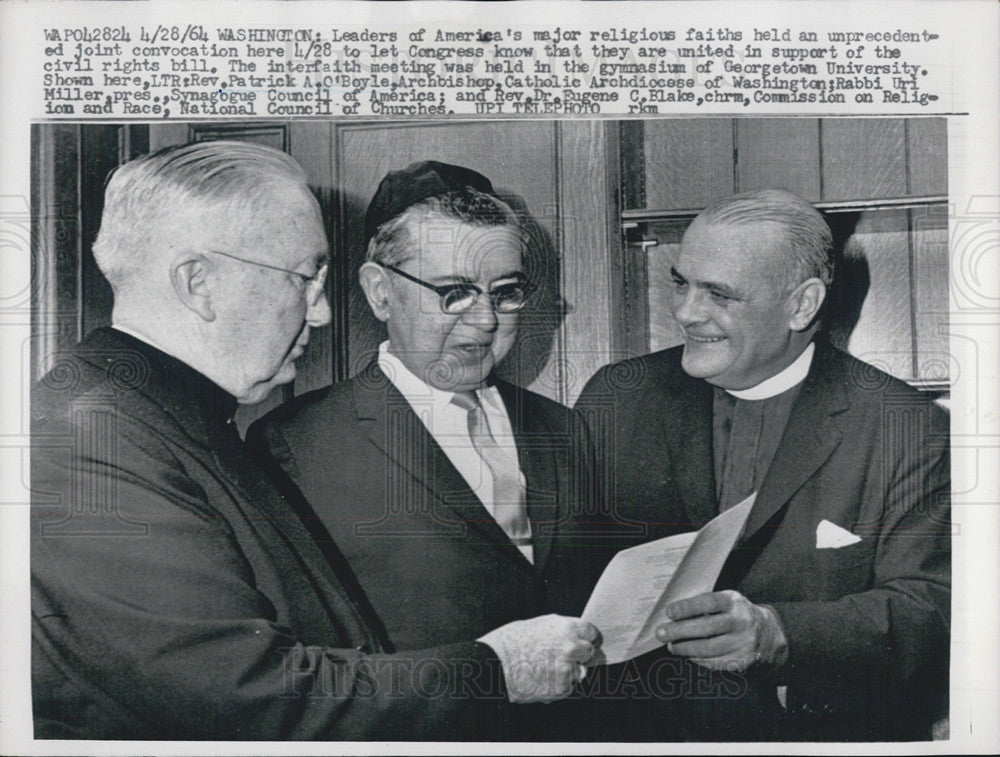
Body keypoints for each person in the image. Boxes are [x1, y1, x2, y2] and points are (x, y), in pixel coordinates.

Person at [31, 142, 600, 740]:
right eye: (304, 278)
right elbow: (246, 700)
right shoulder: (86, 439)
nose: (324, 312)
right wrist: (495, 671)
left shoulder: (167, 419)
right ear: (199, 282)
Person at [246, 161, 617, 739]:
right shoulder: (296, 443)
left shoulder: (565, 429)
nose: (487, 321)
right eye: (454, 293)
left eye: (506, 292)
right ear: (380, 292)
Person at [575, 188, 950, 741]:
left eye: (719, 295)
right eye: (681, 282)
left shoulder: (908, 425)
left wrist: (779, 632)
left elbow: (934, 609)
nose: (684, 313)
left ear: (803, 304)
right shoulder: (618, 396)